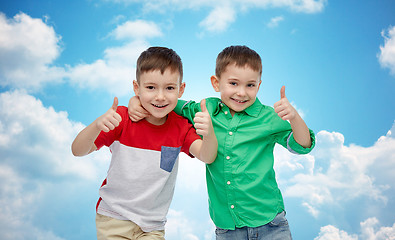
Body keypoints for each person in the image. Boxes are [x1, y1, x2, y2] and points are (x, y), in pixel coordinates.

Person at [128, 45, 315, 240]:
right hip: (227, 227)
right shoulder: (204, 108)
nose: (241, 92)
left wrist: (294, 117)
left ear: (259, 86)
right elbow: (166, 103)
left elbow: (302, 146)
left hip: (270, 222)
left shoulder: (268, 117)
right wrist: (136, 100)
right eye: (233, 83)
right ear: (216, 83)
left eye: (250, 85)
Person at [71, 46, 218, 240]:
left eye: (169, 88)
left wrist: (209, 134)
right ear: (136, 87)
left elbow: (207, 156)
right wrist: (97, 124)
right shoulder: (122, 118)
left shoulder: (181, 127)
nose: (160, 96)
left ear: (181, 89)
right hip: (114, 218)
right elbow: (77, 150)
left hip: (152, 226)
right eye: (150, 87)